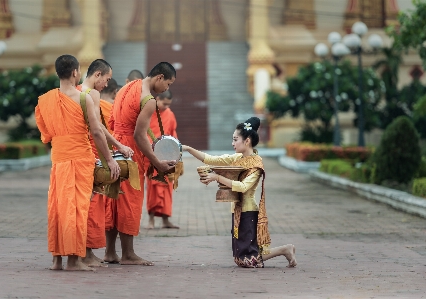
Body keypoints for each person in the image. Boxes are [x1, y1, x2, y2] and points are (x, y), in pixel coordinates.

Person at [35, 54, 120, 271]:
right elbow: (97, 131)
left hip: (58, 160)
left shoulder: (44, 100)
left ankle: (57, 259)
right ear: (75, 72)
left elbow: (45, 135)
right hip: (81, 159)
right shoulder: (84, 98)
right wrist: (109, 160)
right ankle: (73, 260)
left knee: (58, 207)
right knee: (76, 209)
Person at [182, 117, 297, 268]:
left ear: (247, 141)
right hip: (237, 210)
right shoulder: (237, 158)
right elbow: (211, 159)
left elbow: (243, 187)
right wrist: (188, 149)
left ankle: (284, 249)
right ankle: (285, 249)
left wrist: (217, 177)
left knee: (248, 260)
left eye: (235, 139)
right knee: (241, 258)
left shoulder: (256, 164)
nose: (232, 143)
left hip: (248, 212)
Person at [104, 62, 177, 265]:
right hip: (129, 149)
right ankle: (128, 254)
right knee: (129, 199)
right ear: (159, 77)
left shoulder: (127, 87)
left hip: (115, 145)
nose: (167, 89)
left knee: (114, 198)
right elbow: (138, 135)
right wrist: (157, 163)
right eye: (168, 84)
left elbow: (111, 121)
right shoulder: (148, 99)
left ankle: (110, 252)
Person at [77, 59, 134, 267]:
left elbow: (100, 128)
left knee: (86, 205)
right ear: (97, 74)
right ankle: (86, 253)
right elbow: (98, 130)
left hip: (79, 153)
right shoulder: (91, 94)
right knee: (90, 205)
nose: (107, 84)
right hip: (89, 153)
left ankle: (85, 252)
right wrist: (110, 158)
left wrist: (118, 146)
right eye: (107, 79)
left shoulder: (75, 92)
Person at [146, 90, 180, 229]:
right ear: (157, 98)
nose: (166, 107)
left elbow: (173, 133)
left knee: (168, 188)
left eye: (168, 104)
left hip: (168, 155)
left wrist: (176, 152)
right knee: (153, 188)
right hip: (153, 155)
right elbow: (143, 132)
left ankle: (166, 220)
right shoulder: (148, 112)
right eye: (164, 103)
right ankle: (151, 220)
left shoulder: (170, 114)